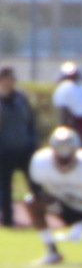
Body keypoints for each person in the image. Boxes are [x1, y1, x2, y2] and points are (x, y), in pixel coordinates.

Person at [25, 127, 82, 265]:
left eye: (67, 157)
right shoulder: (41, 163)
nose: (64, 160)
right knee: (32, 201)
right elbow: (36, 191)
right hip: (67, 207)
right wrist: (49, 199)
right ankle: (52, 252)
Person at [0, 66, 37, 228]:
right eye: (8, 78)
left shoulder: (21, 99)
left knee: (35, 185)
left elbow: (30, 122)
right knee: (5, 187)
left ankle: (39, 218)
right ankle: (7, 219)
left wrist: (32, 141)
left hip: (24, 149)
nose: (11, 81)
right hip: (4, 150)